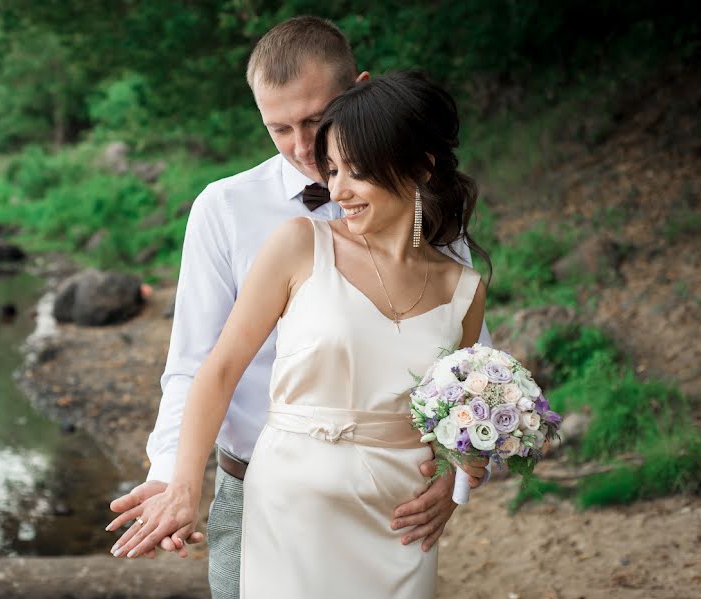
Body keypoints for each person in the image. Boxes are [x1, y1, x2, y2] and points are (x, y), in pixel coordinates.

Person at [107, 16, 491, 597]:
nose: (302, 147)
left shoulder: (430, 225)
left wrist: (457, 479)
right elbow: (198, 364)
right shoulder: (226, 210)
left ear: (359, 91)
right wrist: (173, 477)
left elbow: (470, 375)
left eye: (315, 121)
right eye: (278, 128)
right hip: (260, 487)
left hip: (391, 502)